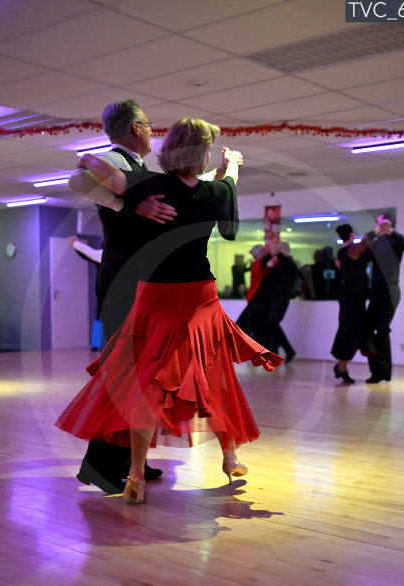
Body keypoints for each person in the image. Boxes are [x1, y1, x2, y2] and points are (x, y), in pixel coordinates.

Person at [56, 118, 282, 505]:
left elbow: (103, 173)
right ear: (204, 154)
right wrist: (232, 168)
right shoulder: (215, 191)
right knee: (216, 377)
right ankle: (230, 458)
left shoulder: (152, 185)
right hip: (198, 298)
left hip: (155, 295)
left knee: (145, 385)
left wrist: (91, 164)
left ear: (170, 148)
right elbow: (227, 202)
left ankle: (136, 475)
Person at [68, 100, 167, 492]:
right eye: (148, 123)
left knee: (142, 372)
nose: (152, 130)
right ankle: (100, 466)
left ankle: (130, 459)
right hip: (122, 278)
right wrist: (129, 205)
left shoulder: (136, 166)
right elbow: (76, 179)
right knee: (126, 371)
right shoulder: (112, 159)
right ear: (136, 127)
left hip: (137, 276)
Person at [365, 212, 404, 384]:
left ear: (386, 222)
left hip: (390, 290)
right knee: (367, 327)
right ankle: (378, 369)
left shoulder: (395, 241)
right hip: (377, 291)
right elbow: (365, 255)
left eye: (377, 221)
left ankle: (383, 371)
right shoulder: (377, 242)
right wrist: (373, 235)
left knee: (382, 328)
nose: (375, 223)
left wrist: (390, 231)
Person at [331, 224, 375, 383]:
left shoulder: (341, 252)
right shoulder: (352, 250)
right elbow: (364, 243)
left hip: (351, 295)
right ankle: (342, 367)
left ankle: (342, 368)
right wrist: (376, 230)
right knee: (350, 331)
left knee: (348, 330)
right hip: (352, 296)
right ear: (351, 235)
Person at [262, 242, 297, 364]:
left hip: (281, 299)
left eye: (280, 248)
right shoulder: (278, 263)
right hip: (273, 298)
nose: (277, 250)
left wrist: (277, 254)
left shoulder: (290, 263)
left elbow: (288, 265)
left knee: (272, 323)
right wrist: (270, 254)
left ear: (286, 250)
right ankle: (277, 351)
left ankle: (289, 350)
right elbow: (263, 264)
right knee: (269, 324)